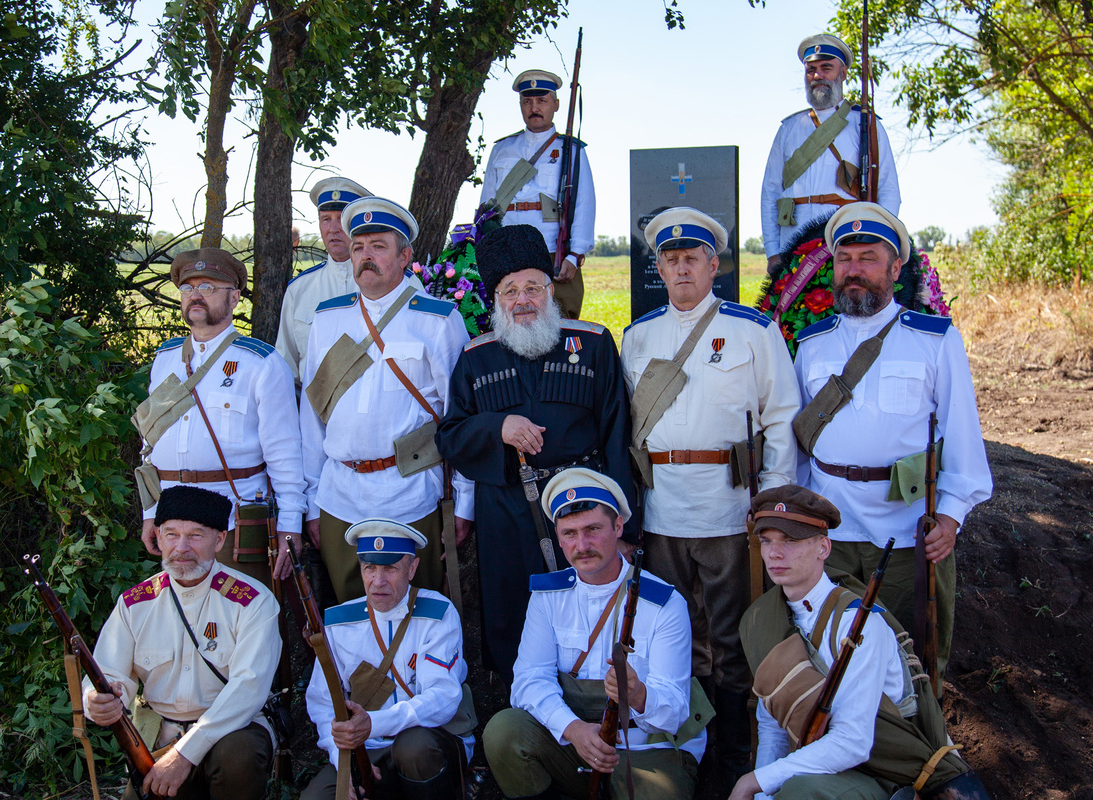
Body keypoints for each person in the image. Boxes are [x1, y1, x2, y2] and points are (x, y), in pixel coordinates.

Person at [620, 207, 800, 784]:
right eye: (670, 261)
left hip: (730, 511)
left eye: (691, 259)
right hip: (663, 512)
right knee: (673, 634)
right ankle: (681, 752)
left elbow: (781, 418)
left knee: (729, 641)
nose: (680, 271)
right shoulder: (638, 336)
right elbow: (628, 427)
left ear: (713, 265)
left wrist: (770, 505)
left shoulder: (753, 330)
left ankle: (731, 759)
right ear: (659, 268)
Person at [792, 202, 992, 687]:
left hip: (907, 532)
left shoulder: (934, 339)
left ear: (896, 268)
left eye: (868, 258)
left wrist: (951, 515)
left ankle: (921, 758)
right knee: (830, 658)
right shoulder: (811, 344)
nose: (853, 270)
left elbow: (962, 437)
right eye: (845, 259)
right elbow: (797, 445)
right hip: (830, 530)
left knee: (911, 665)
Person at [437, 224, 634, 682]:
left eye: (532, 287)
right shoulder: (476, 358)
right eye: (510, 291)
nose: (522, 300)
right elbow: (451, 435)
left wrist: (627, 524)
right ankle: (520, 708)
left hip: (583, 503)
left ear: (552, 289)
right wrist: (497, 426)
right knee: (513, 609)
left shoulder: (594, 345)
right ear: (496, 301)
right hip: (505, 511)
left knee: (587, 610)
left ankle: (589, 702)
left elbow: (617, 435)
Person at [732, 485, 990, 800]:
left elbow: (852, 743)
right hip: (819, 763)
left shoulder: (859, 624)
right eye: (767, 541)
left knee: (801, 792)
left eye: (791, 540)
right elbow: (771, 722)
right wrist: (762, 792)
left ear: (823, 548)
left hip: (887, 773)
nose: (774, 553)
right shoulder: (763, 619)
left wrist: (754, 782)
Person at [484, 468, 711, 800]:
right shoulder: (548, 597)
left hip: (646, 748)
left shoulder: (664, 603)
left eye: (593, 530)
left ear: (618, 527)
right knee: (505, 730)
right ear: (558, 538)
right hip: (575, 743)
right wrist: (573, 730)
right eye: (570, 533)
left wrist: (638, 696)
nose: (582, 545)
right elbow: (529, 680)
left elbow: (675, 711)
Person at [300, 197, 474, 602]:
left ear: (405, 255)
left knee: (416, 610)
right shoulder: (327, 319)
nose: (366, 256)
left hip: (410, 493)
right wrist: (310, 502)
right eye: (359, 247)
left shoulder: (437, 319)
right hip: (339, 495)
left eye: (378, 246)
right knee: (348, 614)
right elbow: (311, 420)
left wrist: (465, 501)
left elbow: (460, 416)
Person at [83, 486, 280, 800]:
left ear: (219, 540)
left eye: (196, 536)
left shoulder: (252, 601)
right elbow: (108, 674)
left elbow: (249, 687)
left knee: (237, 756)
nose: (182, 548)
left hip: (231, 731)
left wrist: (186, 754)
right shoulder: (135, 604)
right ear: (158, 538)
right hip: (161, 735)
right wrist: (97, 700)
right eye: (172, 535)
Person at [135, 247, 305, 584]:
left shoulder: (261, 363)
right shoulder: (166, 359)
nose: (195, 296)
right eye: (188, 288)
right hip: (174, 518)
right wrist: (151, 512)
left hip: (233, 520)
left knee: (242, 618)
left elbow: (285, 455)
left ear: (234, 298)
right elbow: (150, 445)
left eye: (208, 288)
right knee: (184, 617)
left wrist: (290, 526)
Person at [303, 519, 476, 800]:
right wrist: (342, 759)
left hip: (429, 741)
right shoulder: (339, 623)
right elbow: (323, 703)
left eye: (391, 568)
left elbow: (442, 699)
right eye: (370, 568)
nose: (378, 581)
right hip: (365, 748)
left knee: (414, 747)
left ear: (412, 569)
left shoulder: (437, 615)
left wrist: (374, 723)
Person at [760, 33, 900, 274]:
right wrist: (773, 251)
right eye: (811, 69)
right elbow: (770, 192)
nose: (818, 76)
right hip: (794, 240)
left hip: (846, 238)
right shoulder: (789, 128)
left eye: (827, 68)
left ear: (843, 73)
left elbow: (887, 190)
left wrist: (879, 245)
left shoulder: (865, 124)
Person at [480, 69, 595, 319]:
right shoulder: (502, 149)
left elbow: (584, 205)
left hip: (552, 248)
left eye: (542, 100)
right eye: (527, 101)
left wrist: (575, 255)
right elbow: (486, 207)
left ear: (555, 104)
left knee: (561, 318)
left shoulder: (571, 150)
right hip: (507, 245)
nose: (534, 107)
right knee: (509, 315)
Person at [275, 177, 372, 388]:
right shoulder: (299, 290)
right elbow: (286, 371)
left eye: (342, 218)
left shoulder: (396, 285)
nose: (333, 228)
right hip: (312, 417)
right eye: (326, 219)